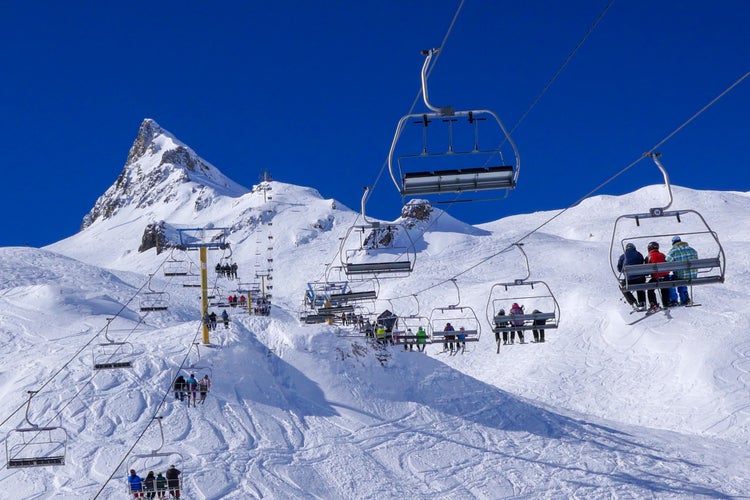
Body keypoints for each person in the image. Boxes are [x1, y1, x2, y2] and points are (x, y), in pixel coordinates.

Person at [666, 236, 699, 306]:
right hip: (693, 275)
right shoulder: (692, 250)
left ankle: (673, 300)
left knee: (671, 278)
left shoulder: (674, 251)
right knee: (681, 275)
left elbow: (666, 263)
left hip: (681, 276)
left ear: (673, 243)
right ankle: (685, 298)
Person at [617, 242, 647, 310]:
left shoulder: (623, 256)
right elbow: (642, 263)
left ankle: (633, 302)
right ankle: (642, 302)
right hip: (640, 280)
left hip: (629, 280)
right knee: (640, 284)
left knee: (622, 286)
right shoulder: (639, 255)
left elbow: (619, 269)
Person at [645, 241, 671, 311]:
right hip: (666, 277)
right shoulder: (662, 255)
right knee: (664, 288)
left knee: (650, 289)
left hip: (656, 278)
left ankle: (653, 304)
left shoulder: (648, 256)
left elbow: (646, 270)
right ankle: (666, 302)